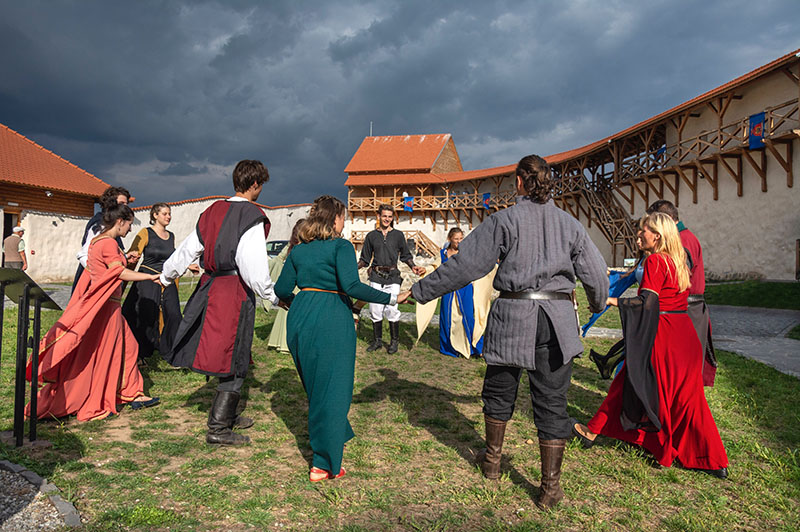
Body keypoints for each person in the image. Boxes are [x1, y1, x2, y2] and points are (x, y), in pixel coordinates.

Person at [411, 155, 609, 509]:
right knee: (551, 402)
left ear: (519, 182)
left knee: (500, 390)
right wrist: (597, 304)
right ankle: (549, 489)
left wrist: (422, 289)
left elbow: (466, 265)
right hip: (557, 320)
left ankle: (492, 461)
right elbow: (596, 274)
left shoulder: (503, 220)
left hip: (514, 315)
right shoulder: (571, 224)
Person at [572, 212, 729, 479]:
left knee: (630, 381)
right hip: (686, 336)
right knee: (687, 398)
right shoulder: (678, 260)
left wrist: (613, 302)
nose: (638, 236)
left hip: (664, 335)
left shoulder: (656, 261)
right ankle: (713, 459)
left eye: (643, 231)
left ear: (656, 235)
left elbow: (647, 303)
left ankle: (595, 432)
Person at [275, 195, 410, 482]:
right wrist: (392, 297)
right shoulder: (341, 246)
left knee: (316, 387)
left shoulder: (299, 251)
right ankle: (323, 463)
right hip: (331, 318)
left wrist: (293, 302)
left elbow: (282, 288)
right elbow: (351, 285)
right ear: (333, 219)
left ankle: (334, 434)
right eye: (342, 217)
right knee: (334, 389)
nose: (344, 222)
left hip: (301, 317)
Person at [160, 159, 285, 446]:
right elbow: (252, 267)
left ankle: (226, 417)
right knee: (234, 352)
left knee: (225, 352)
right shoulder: (251, 216)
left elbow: (188, 249)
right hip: (233, 291)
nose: (261, 189)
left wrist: (167, 275)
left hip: (211, 287)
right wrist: (274, 295)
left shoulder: (212, 211)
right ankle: (218, 428)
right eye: (261, 184)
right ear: (255, 184)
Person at [26, 204, 161, 421]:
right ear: (120, 222)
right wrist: (150, 277)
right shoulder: (107, 243)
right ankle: (98, 401)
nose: (129, 230)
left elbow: (106, 269)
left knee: (126, 348)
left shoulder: (99, 241)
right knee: (106, 353)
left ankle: (131, 393)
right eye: (128, 225)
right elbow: (118, 272)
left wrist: (126, 258)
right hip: (107, 307)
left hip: (107, 305)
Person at [646, 200, 716, 386]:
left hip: (687, 310)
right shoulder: (683, 238)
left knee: (681, 371)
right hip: (688, 308)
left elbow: (678, 277)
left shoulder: (683, 240)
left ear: (666, 220)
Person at [122, 203, 195, 361]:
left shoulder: (171, 236)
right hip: (147, 278)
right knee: (146, 315)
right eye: (164, 214)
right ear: (155, 215)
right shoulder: (146, 232)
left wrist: (188, 265)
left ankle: (171, 352)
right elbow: (134, 254)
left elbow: (173, 258)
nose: (168, 216)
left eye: (169, 214)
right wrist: (124, 273)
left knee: (175, 314)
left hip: (166, 279)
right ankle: (140, 354)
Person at [357, 204, 425, 354]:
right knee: (375, 309)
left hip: (393, 277)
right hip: (375, 276)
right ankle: (377, 341)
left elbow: (406, 255)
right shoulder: (371, 236)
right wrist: (355, 266)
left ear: (392, 218)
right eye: (384, 216)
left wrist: (413, 266)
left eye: (389, 216)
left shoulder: (398, 235)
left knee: (392, 308)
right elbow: (365, 259)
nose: (387, 219)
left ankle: (394, 342)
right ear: (379, 216)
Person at [73, 186, 134, 292]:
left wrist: (125, 257)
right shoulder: (100, 223)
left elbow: (106, 254)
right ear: (111, 203)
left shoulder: (113, 225)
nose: (125, 207)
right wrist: (99, 275)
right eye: (121, 203)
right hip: (92, 281)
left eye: (126, 204)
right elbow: (84, 254)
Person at [438, 228, 484, 358]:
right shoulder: (443, 253)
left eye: (461, 238)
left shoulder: (467, 253)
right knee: (447, 317)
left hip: (465, 288)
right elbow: (436, 268)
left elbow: (476, 267)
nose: (459, 241)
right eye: (456, 239)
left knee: (468, 317)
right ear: (450, 239)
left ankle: (477, 347)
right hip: (448, 288)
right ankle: (449, 347)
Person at [265, 218, 304, 353]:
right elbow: (279, 259)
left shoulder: (305, 246)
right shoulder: (290, 246)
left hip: (301, 284)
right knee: (287, 311)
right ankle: (283, 343)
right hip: (292, 284)